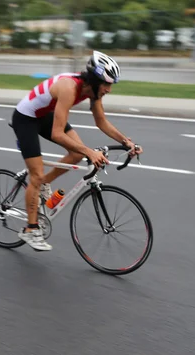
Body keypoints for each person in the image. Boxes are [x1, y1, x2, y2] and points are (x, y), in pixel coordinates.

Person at [11, 50, 143, 252]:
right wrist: (91, 152)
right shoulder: (69, 88)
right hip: (26, 118)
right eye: (107, 84)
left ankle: (45, 183)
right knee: (36, 176)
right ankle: (30, 229)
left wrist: (126, 142)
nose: (109, 89)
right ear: (95, 80)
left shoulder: (93, 91)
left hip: (44, 115)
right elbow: (57, 134)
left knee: (77, 153)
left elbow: (101, 121)